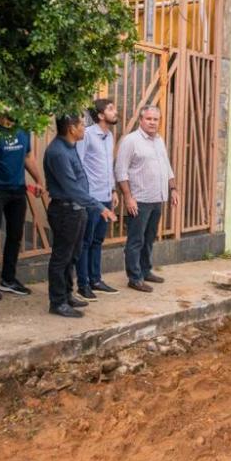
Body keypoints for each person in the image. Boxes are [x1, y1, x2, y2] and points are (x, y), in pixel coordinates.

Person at [43, 114, 117, 318]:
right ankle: (57, 302)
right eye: (81, 125)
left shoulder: (70, 146)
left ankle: (67, 294)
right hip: (65, 211)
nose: (85, 128)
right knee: (61, 257)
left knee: (73, 256)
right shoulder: (58, 152)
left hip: (77, 210)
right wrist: (99, 206)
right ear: (70, 128)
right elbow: (71, 187)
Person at [0, 116, 45, 300]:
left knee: (15, 235)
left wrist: (38, 180)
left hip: (17, 190)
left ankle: (8, 279)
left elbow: (28, 157)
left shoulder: (23, 129)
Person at [115, 105, 179, 293]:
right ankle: (134, 278)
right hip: (139, 200)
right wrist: (128, 197)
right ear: (141, 120)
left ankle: (145, 270)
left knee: (149, 238)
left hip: (157, 198)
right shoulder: (131, 141)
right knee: (135, 240)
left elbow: (166, 166)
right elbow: (120, 170)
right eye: (149, 119)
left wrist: (173, 188)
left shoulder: (159, 140)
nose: (152, 122)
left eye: (155, 119)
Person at [75, 98, 121, 301]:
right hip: (91, 198)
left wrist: (113, 190)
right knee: (85, 241)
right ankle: (82, 284)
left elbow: (108, 166)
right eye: (111, 109)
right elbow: (79, 163)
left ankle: (96, 279)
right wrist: (84, 195)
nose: (115, 111)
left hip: (106, 196)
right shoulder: (87, 135)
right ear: (101, 115)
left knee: (98, 240)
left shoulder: (109, 136)